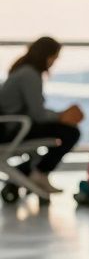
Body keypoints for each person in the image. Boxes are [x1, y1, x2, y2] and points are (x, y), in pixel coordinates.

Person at [0, 36, 84, 195]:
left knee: (63, 130)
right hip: (13, 129)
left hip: (13, 126)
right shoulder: (29, 75)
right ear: (46, 55)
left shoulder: (22, 71)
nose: (53, 62)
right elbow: (38, 114)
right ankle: (38, 173)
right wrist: (62, 116)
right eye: (54, 57)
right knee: (71, 132)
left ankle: (25, 173)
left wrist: (60, 116)